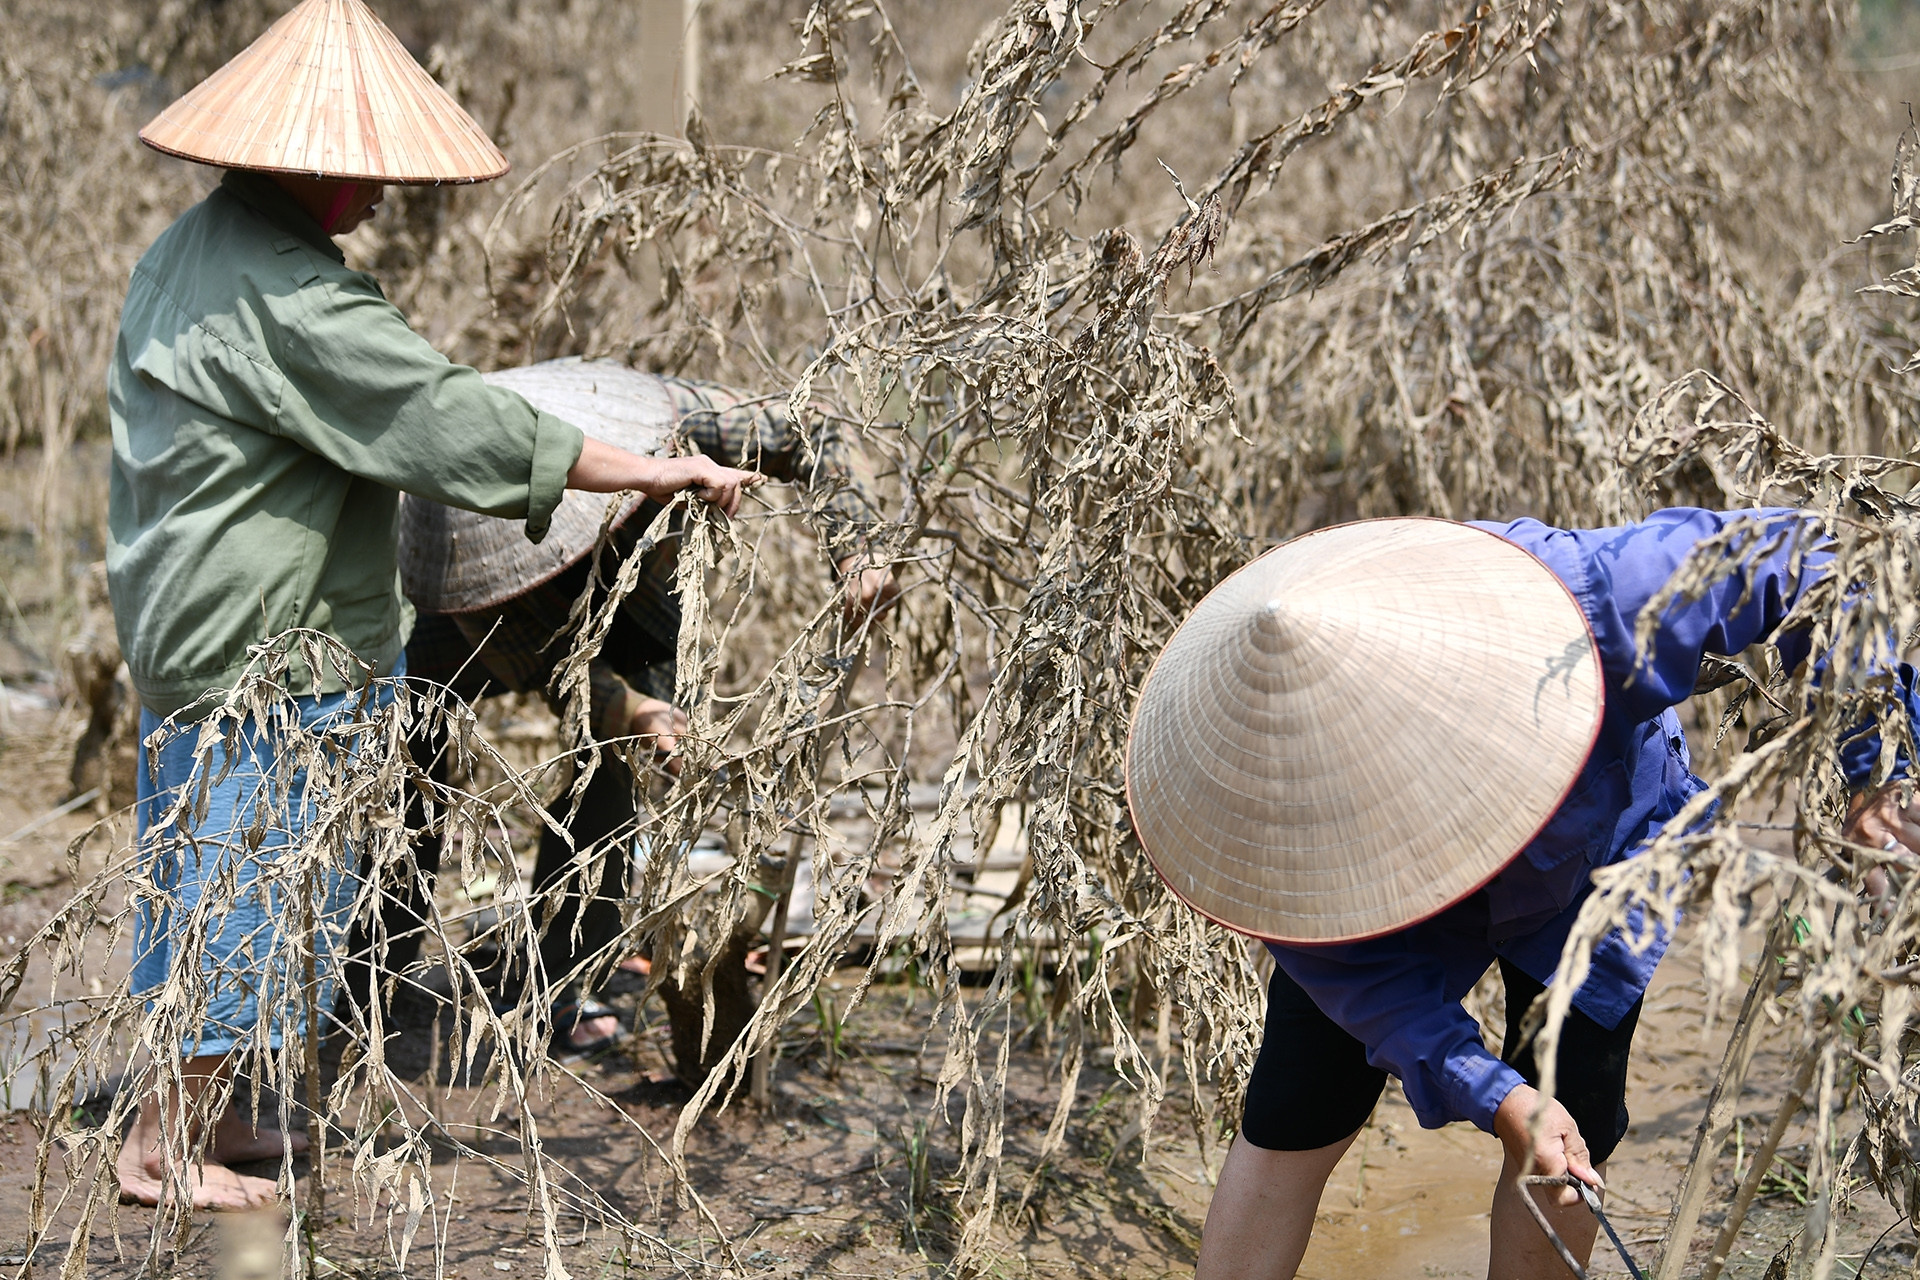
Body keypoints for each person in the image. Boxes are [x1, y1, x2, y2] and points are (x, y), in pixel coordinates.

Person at [107, 0, 759, 1213]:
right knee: (240, 875)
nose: (380, 196)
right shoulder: (300, 305)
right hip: (261, 638)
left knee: (238, 865)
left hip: (186, 613)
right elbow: (454, 417)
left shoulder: (193, 251)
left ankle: (232, 1104)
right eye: (366, 171)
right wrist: (651, 467)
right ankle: (162, 1140)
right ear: (310, 160)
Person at [1122, 508, 1920, 1280]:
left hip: (1594, 856)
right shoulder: (1277, 837)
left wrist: (1877, 772)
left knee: (1573, 1128)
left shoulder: (1595, 597)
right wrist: (1498, 1096)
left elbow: (1817, 560)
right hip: (1376, 902)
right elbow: (1381, 999)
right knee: (1298, 1109)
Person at [349, 361, 893, 1057]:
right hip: (462, 618)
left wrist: (859, 551)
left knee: (615, 777)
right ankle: (374, 978)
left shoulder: (677, 420)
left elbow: (810, 432)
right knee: (411, 768)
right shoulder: (463, 539)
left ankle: (559, 986)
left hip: (631, 589)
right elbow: (562, 674)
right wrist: (636, 713)